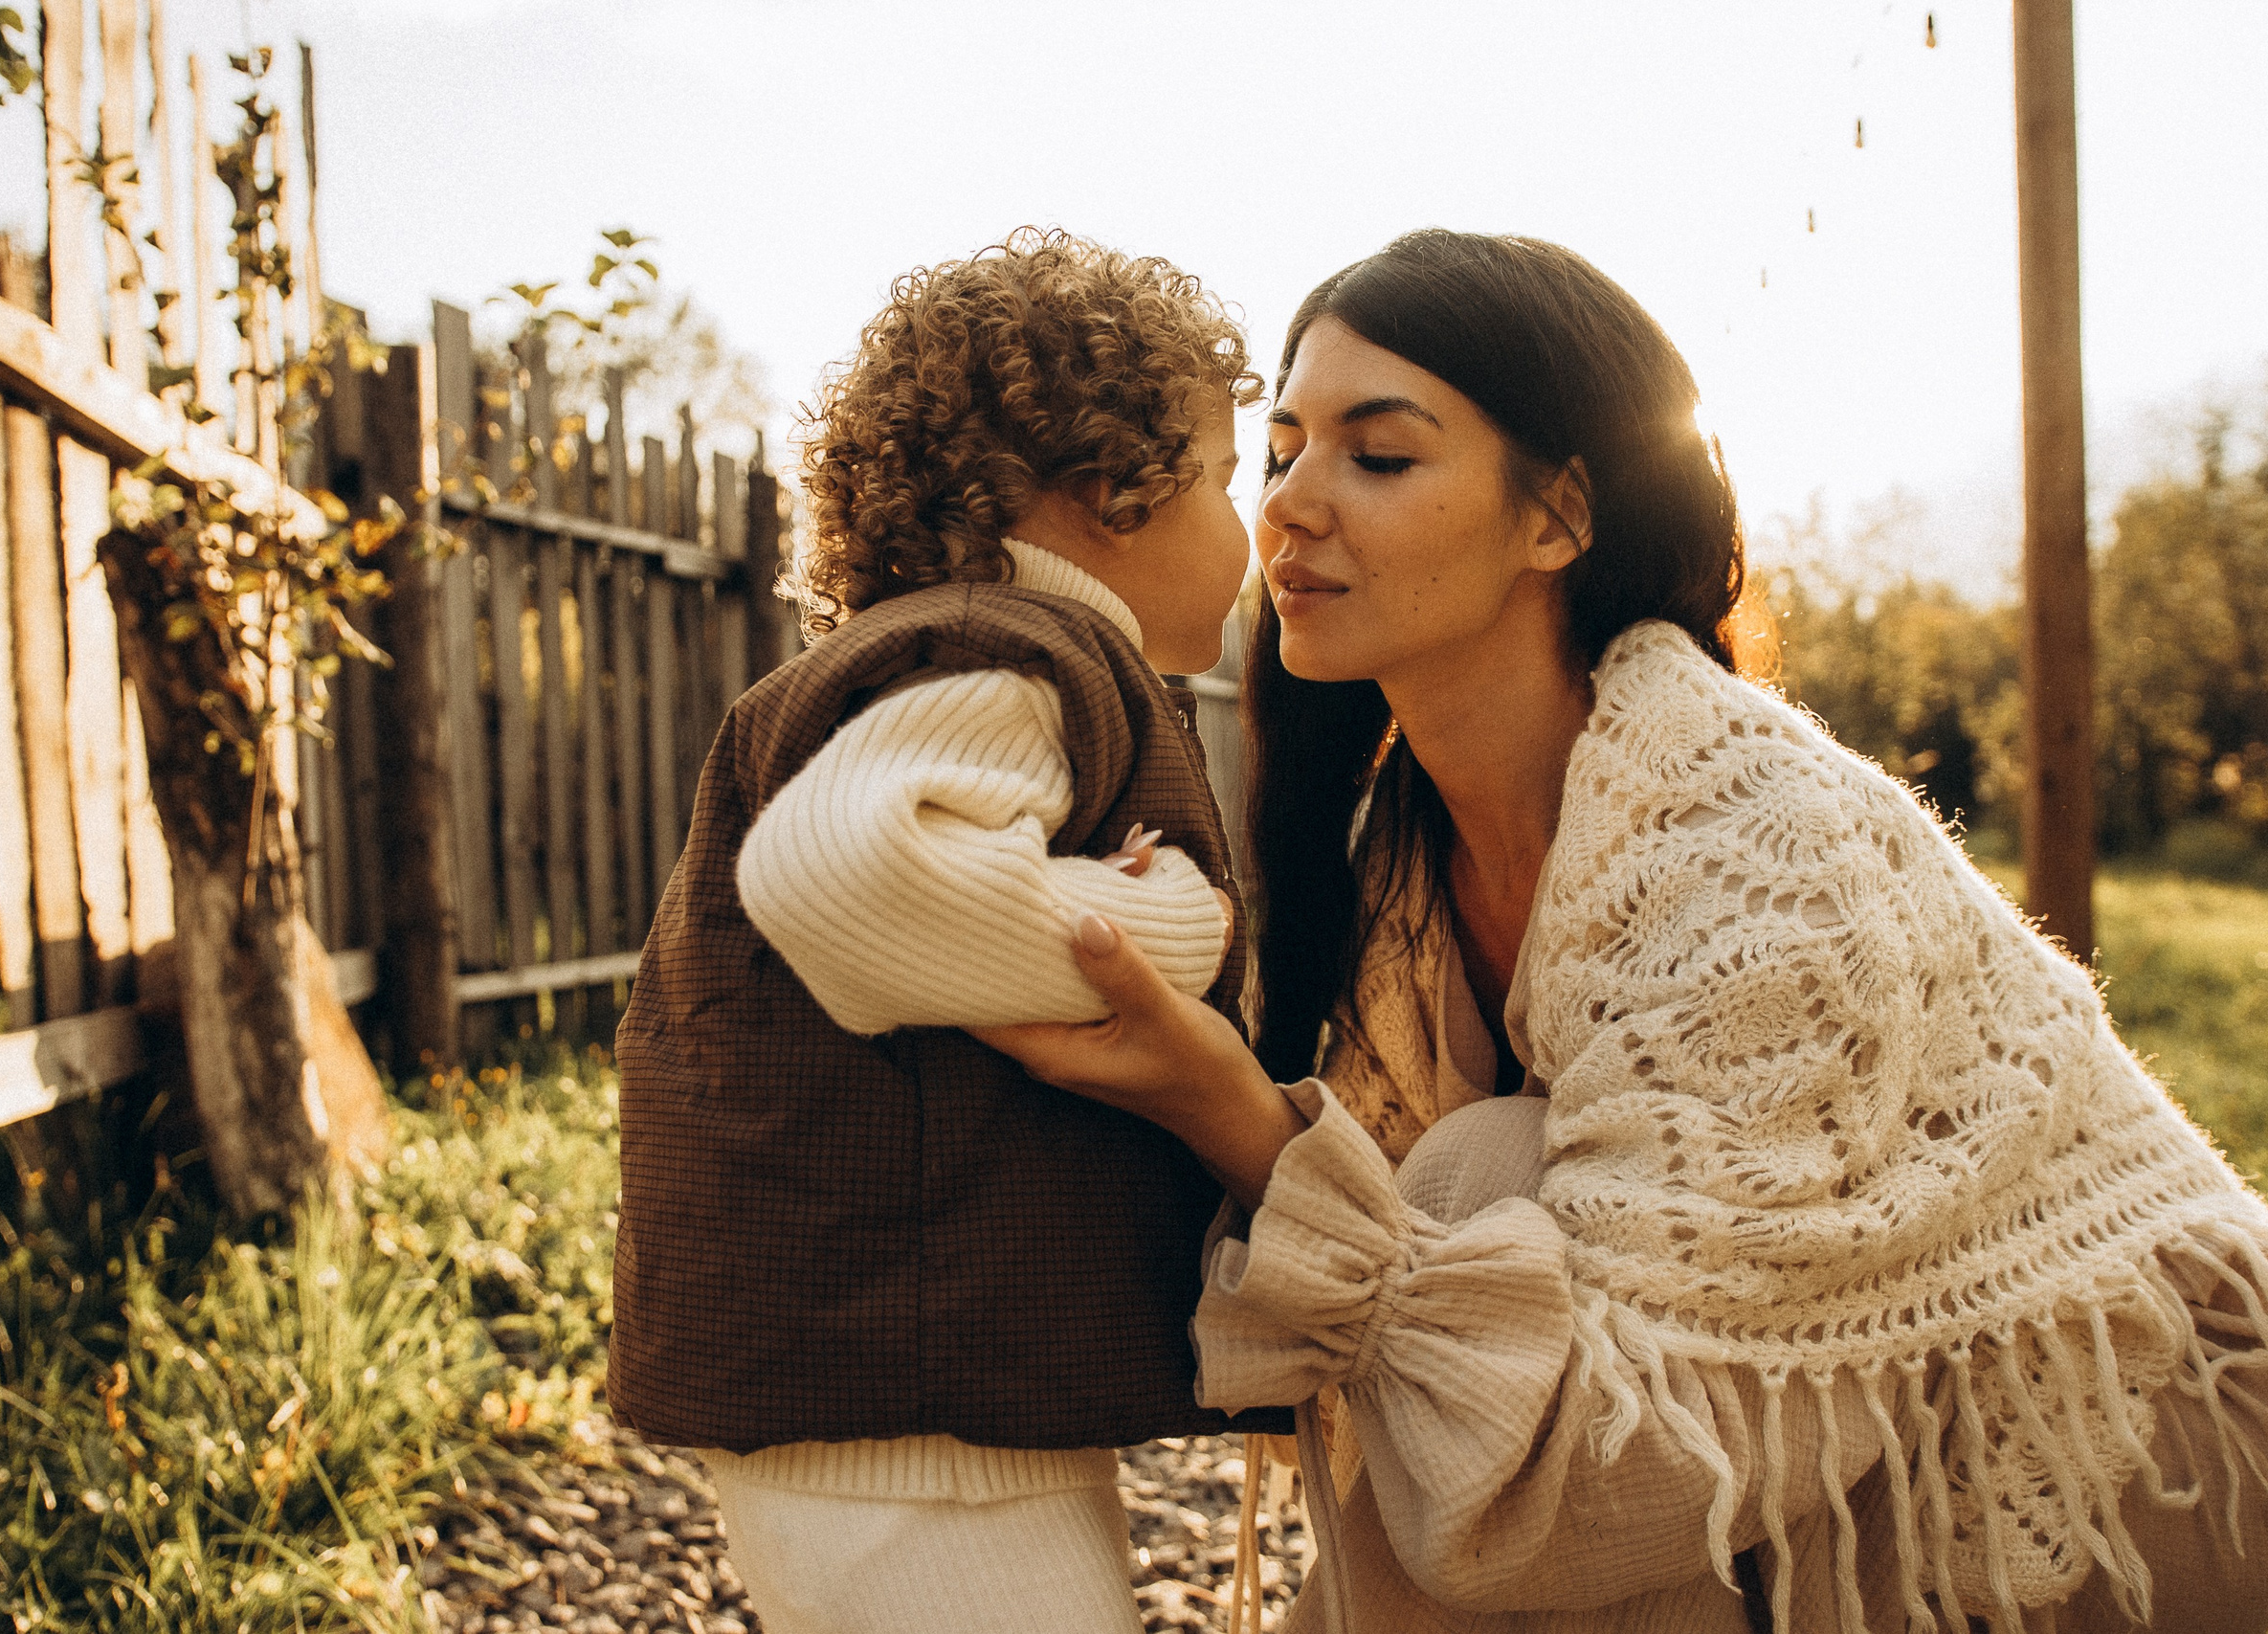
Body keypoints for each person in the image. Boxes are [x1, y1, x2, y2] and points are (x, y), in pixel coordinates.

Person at [973, 231, 2268, 1632]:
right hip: (1817, 1482)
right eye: (1280, 452)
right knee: (1474, 1201)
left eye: (1379, 455)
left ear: (1559, 516)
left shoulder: (1755, 850)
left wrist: (1232, 1110)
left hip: (2133, 1478)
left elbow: (1609, 1473)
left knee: (1473, 1180)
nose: (1289, 507)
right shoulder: (1396, 854)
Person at [608, 229, 1289, 1634]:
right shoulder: (1002, 649)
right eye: (1228, 482)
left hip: (917, 1396)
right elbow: (846, 880)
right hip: (901, 1410)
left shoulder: (984, 651)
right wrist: (1170, 926)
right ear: (1114, 487)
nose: (1257, 530)